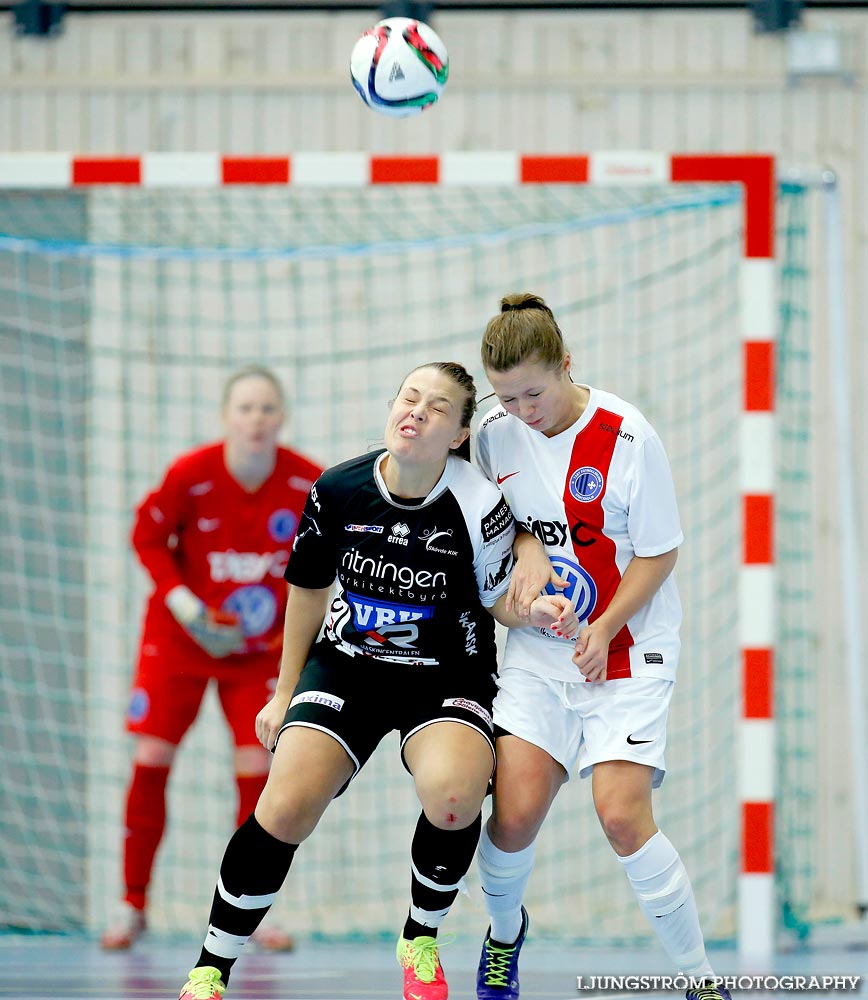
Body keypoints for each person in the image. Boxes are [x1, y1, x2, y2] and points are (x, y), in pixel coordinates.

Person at [174, 361, 578, 1000]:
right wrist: (283, 692)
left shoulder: (478, 502)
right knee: (283, 805)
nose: (416, 411)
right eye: (408, 398)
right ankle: (212, 966)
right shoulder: (337, 489)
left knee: (454, 795)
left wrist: (534, 608)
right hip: (347, 667)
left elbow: (500, 598)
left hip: (446, 673)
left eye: (437, 407)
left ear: (457, 434)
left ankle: (420, 936)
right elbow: (307, 591)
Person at [472, 294, 731, 1000]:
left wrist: (606, 625)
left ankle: (701, 983)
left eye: (535, 390)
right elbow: (495, 515)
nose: (523, 409)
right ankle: (502, 938)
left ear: (566, 365)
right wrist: (525, 546)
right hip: (538, 652)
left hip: (626, 648)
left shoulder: (626, 436)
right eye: (507, 395)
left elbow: (660, 551)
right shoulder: (492, 430)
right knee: (513, 817)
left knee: (621, 816)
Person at [101, 365, 323, 952]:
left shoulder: (308, 484)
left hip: (260, 654)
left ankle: (253, 909)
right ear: (226, 417)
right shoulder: (190, 475)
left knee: (260, 768)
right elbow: (146, 536)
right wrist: (182, 603)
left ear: (282, 419)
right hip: (180, 642)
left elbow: (334, 559)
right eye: (246, 408)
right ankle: (131, 904)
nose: (257, 419)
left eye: (268, 408)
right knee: (152, 756)